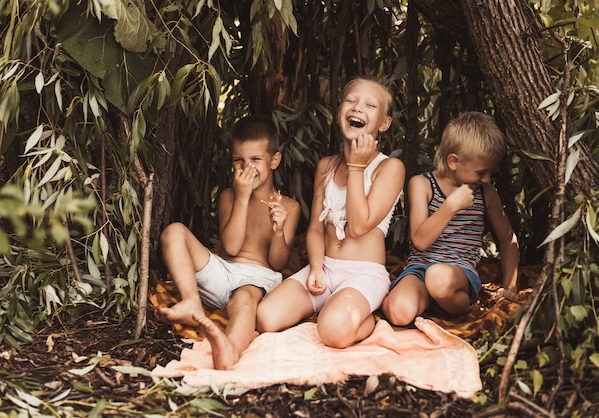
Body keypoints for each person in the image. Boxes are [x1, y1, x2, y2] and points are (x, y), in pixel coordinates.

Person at [256, 76, 405, 349]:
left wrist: (357, 167)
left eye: (370, 105)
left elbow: (359, 227)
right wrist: (315, 268)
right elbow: (315, 227)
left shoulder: (390, 168)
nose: (358, 108)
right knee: (266, 317)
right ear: (339, 114)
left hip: (364, 274)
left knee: (333, 331)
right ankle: (330, 304)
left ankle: (366, 318)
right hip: (325, 267)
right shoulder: (326, 166)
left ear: (384, 123)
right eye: (351, 101)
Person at [154, 115, 301, 370]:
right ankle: (192, 302)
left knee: (244, 304)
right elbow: (230, 248)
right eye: (238, 161)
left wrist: (278, 231)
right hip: (223, 270)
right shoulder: (229, 196)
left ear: (274, 160)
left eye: (256, 159)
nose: (247, 168)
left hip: (257, 279)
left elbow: (278, 263)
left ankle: (230, 349)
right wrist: (242, 198)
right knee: (174, 231)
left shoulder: (289, 206)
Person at [381, 111, 519, 327]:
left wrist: (510, 286)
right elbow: (419, 240)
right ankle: (428, 300)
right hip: (420, 269)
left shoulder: (486, 193)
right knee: (399, 312)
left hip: (457, 275)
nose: (487, 179)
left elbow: (508, 239)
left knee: (438, 279)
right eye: (481, 172)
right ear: (453, 161)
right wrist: (451, 205)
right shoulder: (422, 184)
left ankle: (460, 305)